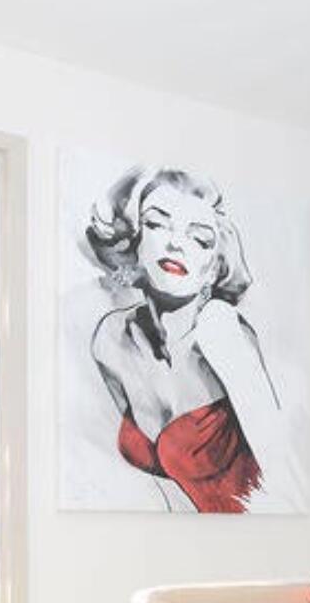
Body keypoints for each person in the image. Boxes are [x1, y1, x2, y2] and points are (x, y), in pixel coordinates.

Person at [82, 166, 297, 513]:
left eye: (199, 238)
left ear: (214, 268)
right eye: (156, 224)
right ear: (135, 244)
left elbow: (286, 477)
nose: (176, 242)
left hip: (258, 539)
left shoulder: (219, 327)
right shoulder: (110, 339)